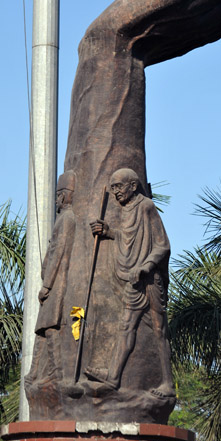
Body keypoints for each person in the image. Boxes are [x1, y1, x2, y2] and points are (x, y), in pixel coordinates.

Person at [86, 168, 174, 397]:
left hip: (150, 281)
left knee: (159, 330)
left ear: (133, 186)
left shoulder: (146, 207)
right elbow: (129, 239)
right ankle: (113, 378)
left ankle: (168, 384)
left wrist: (145, 266)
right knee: (126, 327)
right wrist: (109, 232)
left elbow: (163, 245)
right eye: (112, 187)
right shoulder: (126, 210)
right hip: (132, 283)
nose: (115, 192)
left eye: (119, 187)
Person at [25, 170, 76, 385]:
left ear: (64, 196)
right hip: (54, 282)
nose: (56, 200)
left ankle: (57, 371)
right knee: (41, 328)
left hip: (59, 282)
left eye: (57, 196)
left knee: (50, 326)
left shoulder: (66, 219)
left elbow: (58, 253)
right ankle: (35, 372)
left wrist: (47, 285)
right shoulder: (63, 219)